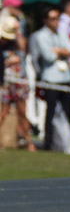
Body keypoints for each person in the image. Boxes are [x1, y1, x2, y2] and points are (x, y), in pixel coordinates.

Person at [29, 8, 70, 150]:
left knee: (68, 111)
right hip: (50, 79)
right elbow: (47, 56)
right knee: (50, 112)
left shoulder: (61, 34)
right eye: (53, 18)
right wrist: (62, 51)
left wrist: (57, 50)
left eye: (57, 18)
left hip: (65, 77)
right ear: (45, 20)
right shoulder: (39, 36)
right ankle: (49, 143)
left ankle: (68, 143)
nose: (56, 22)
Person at [0, 15, 34, 151]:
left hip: (19, 80)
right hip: (6, 81)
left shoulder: (16, 42)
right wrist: (8, 61)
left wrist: (17, 31)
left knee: (22, 112)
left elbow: (23, 49)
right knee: (3, 112)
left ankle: (28, 141)